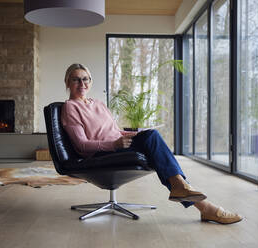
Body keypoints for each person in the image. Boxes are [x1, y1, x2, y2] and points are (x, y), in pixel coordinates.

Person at [61, 63, 243, 224]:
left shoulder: (98, 103)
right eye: (76, 79)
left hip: (117, 145)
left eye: (85, 79)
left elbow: (116, 131)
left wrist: (136, 134)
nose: (82, 83)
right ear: (68, 82)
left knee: (151, 136)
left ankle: (188, 194)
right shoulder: (70, 107)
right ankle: (201, 204)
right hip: (100, 153)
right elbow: (81, 145)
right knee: (155, 145)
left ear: (91, 81)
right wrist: (114, 144)